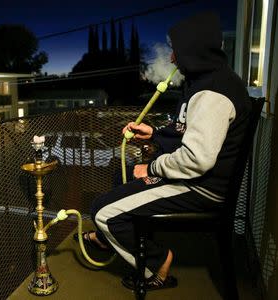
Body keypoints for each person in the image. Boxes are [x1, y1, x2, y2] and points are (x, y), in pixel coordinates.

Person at [76, 12, 252, 290]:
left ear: (193, 50)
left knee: (102, 212)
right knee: (122, 175)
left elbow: (197, 159)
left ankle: (156, 264)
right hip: (196, 181)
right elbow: (188, 132)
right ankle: (109, 239)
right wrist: (155, 135)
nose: (172, 59)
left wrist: (153, 167)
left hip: (199, 188)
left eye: (176, 52)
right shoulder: (204, 81)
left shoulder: (213, 93)